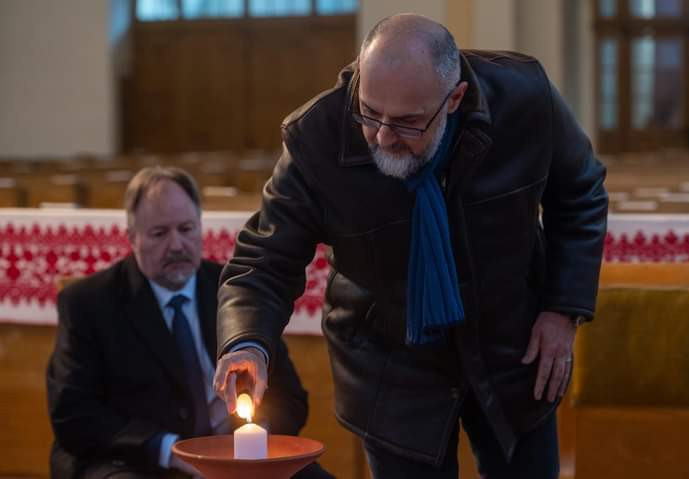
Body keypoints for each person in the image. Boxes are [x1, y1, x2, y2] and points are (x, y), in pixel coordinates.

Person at [213, 14, 608, 479]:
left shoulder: (524, 98)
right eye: (368, 111)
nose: (382, 136)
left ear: (454, 98)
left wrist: (562, 309)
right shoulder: (316, 137)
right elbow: (263, 259)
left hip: (513, 346)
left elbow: (581, 193)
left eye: (407, 122)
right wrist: (247, 342)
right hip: (390, 364)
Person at [46, 167, 332, 478]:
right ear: (132, 238)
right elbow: (73, 414)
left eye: (186, 228)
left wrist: (256, 432)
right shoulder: (88, 302)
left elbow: (290, 398)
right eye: (159, 233)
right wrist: (167, 449)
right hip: (138, 461)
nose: (177, 245)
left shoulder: (239, 291)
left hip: (235, 459)